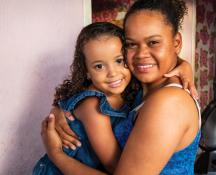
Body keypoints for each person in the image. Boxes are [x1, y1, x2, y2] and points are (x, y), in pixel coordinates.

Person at [41, 0, 201, 174]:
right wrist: (60, 109)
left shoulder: (169, 102)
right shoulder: (139, 86)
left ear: (177, 42)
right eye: (131, 44)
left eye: (153, 42)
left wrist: (56, 154)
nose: (141, 55)